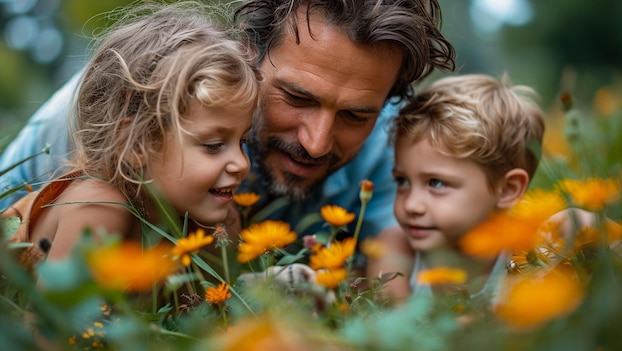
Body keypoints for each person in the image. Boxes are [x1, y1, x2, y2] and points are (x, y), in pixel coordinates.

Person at [0, 1, 456, 268]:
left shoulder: (387, 158)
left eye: (356, 115)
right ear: (245, 54)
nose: (316, 142)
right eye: (297, 98)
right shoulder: (108, 110)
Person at [0, 1, 260, 269]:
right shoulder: (98, 208)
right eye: (214, 145)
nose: (242, 163)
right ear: (135, 144)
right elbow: (57, 312)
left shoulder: (210, 220)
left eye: (242, 142)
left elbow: (220, 306)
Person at [367, 73, 545, 303]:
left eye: (436, 183)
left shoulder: (526, 255)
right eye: (403, 181)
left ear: (508, 189)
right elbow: (396, 327)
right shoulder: (395, 250)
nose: (411, 205)